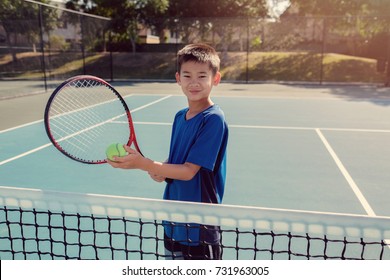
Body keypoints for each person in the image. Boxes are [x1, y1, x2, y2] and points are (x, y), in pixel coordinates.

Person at [108, 43, 229, 260]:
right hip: (173, 221)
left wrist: (143, 164)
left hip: (199, 225)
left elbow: (189, 171)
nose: (194, 82)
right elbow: (178, 159)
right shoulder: (179, 116)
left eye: (202, 76)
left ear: (216, 79)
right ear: (178, 79)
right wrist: (160, 169)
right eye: (187, 75)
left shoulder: (213, 119)